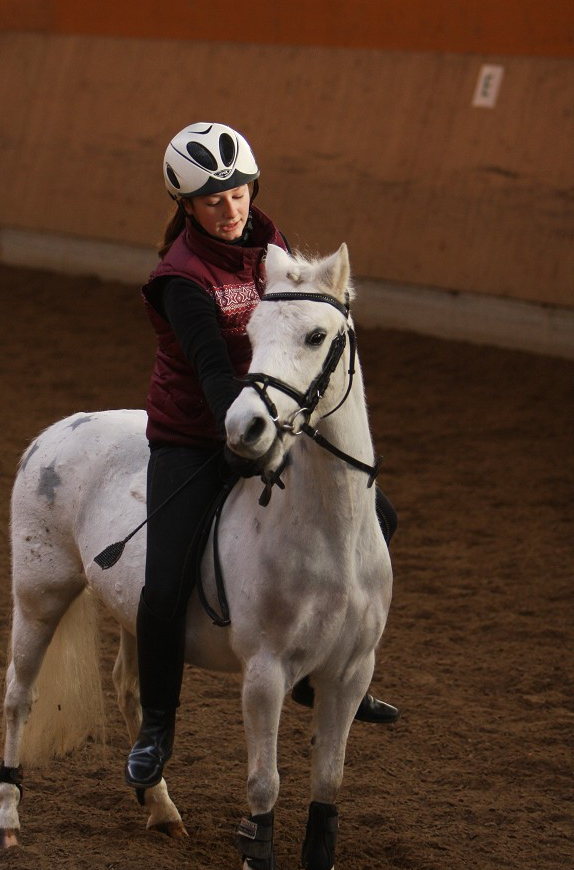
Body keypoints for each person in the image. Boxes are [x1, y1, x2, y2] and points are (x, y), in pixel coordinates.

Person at [124, 122, 398, 792]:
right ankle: (157, 725)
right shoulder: (178, 278)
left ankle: (326, 675)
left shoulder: (268, 244)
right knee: (163, 585)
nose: (231, 207)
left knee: (378, 516)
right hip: (195, 429)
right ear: (186, 206)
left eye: (238, 191)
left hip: (273, 420)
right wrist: (247, 433)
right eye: (212, 199)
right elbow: (215, 371)